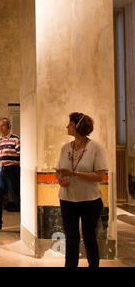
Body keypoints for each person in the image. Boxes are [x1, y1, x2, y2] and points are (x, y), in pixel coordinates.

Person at [55, 112, 107, 268]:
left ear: (78, 127)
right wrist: (60, 179)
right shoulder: (65, 148)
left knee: (89, 238)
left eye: (70, 124)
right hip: (67, 200)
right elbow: (58, 171)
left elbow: (99, 176)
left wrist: (74, 174)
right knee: (71, 240)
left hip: (90, 201)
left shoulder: (95, 147)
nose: (67, 126)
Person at [0, 118, 20, 232]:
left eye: (3, 125)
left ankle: (26, 222)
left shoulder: (15, 139)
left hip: (12, 170)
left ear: (8, 127)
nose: (0, 128)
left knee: (16, 196)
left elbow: (21, 155)